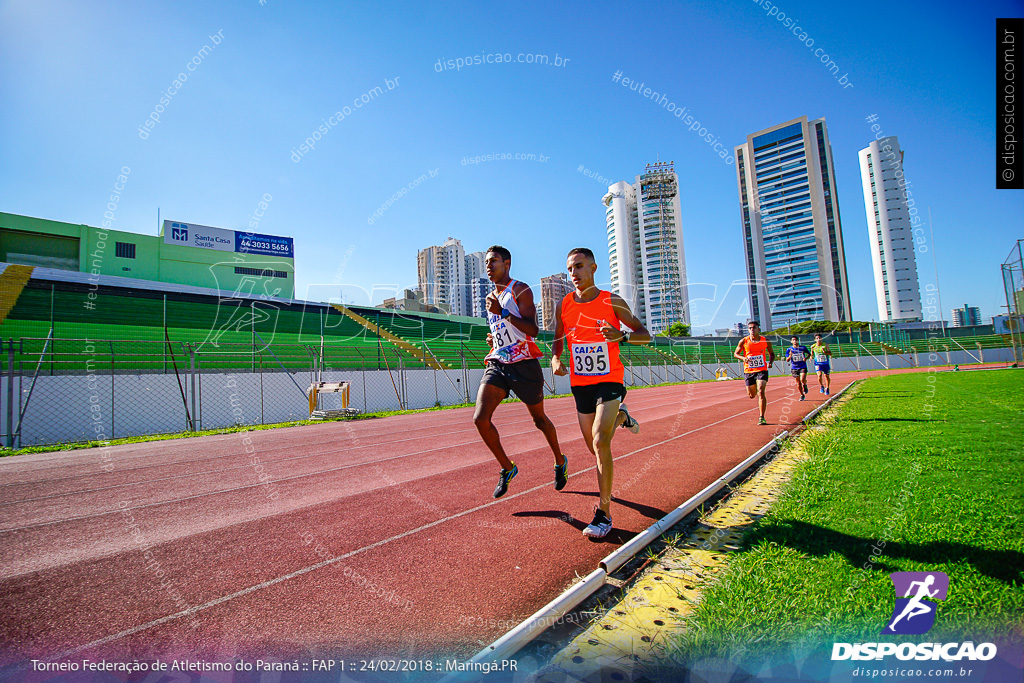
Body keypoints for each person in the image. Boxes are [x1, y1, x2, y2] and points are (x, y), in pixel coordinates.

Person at [551, 248, 649, 539]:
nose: (574, 274)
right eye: (570, 269)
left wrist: (623, 336)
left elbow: (645, 334)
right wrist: (556, 359)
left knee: (599, 441)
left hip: (610, 380)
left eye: (579, 267)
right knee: (593, 448)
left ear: (593, 268)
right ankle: (621, 418)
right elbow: (558, 338)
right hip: (581, 384)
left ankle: (604, 514)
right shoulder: (563, 305)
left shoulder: (611, 300)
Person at [473, 246, 567, 499]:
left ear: (507, 263)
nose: (489, 267)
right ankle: (507, 467)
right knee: (480, 419)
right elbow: (506, 328)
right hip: (499, 362)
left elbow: (532, 330)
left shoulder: (519, 289)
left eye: (494, 262)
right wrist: (494, 338)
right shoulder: (491, 297)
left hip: (525, 363)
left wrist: (502, 313)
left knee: (539, 420)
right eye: (486, 263)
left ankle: (560, 460)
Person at [734, 320, 775, 425]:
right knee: (752, 395)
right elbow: (736, 354)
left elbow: (771, 353)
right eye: (750, 328)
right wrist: (743, 358)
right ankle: (754, 388)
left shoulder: (765, 340)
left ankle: (762, 417)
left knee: (761, 391)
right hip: (749, 370)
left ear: (758, 329)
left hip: (762, 370)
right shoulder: (743, 341)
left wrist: (770, 362)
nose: (752, 330)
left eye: (754, 328)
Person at [785, 336, 810, 401]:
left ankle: (805, 385)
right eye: (793, 340)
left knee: (802, 379)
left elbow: (809, 354)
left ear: (798, 341)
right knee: (798, 382)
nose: (795, 341)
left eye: (796, 340)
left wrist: (806, 358)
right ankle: (802, 395)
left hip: (802, 366)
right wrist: (790, 355)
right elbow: (787, 360)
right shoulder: (789, 349)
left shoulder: (803, 348)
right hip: (794, 367)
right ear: (791, 341)